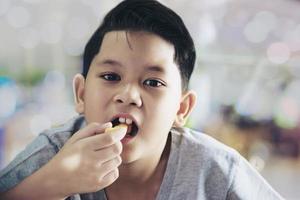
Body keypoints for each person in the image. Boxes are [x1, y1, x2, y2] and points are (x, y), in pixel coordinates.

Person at [0, 0, 283, 199]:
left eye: (152, 82)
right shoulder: (52, 154)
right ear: (81, 94)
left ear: (181, 108)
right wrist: (52, 183)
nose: (129, 95)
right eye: (111, 77)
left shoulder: (216, 170)